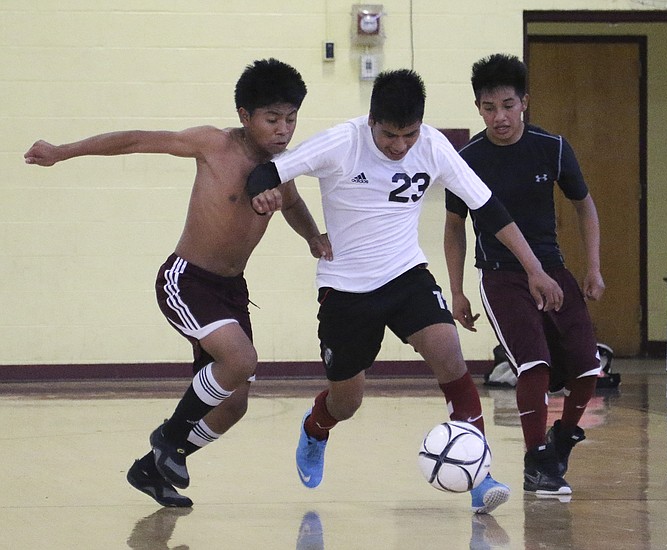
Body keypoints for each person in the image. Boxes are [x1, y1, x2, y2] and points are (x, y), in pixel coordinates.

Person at [247, 68, 564, 514]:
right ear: (371, 120)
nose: (400, 146)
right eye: (390, 136)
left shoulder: (433, 146)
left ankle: (479, 474)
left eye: (409, 135)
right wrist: (265, 196)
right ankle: (316, 429)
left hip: (406, 276)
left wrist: (534, 268)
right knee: (347, 400)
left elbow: (489, 207)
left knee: (450, 356)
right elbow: (266, 173)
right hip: (346, 289)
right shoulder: (341, 143)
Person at [24, 59, 331, 508]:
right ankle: (168, 437)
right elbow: (135, 140)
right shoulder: (213, 144)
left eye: (291, 119)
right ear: (245, 116)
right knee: (241, 359)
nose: (283, 130)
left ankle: (152, 466)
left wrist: (313, 237)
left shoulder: (283, 167)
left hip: (231, 291)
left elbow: (293, 203)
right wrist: (62, 151)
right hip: (186, 280)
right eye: (272, 119)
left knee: (234, 404)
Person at [443, 53, 605, 497]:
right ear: (478, 108)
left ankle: (564, 436)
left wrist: (592, 267)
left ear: (525, 103)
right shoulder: (466, 158)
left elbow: (584, 205)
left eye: (509, 105)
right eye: (490, 108)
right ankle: (537, 462)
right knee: (534, 365)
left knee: (589, 367)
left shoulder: (552, 147)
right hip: (501, 276)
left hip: (553, 271)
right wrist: (456, 290)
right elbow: (454, 227)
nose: (500, 117)